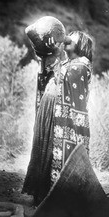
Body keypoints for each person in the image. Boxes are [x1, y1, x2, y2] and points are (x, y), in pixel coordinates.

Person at [22, 24, 93, 206]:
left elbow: (65, 78)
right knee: (43, 145)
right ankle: (41, 193)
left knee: (53, 149)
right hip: (50, 107)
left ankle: (54, 197)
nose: (67, 39)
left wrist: (59, 55)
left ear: (81, 44)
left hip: (62, 114)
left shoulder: (82, 64)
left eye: (72, 38)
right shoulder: (66, 62)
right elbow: (47, 74)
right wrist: (46, 56)